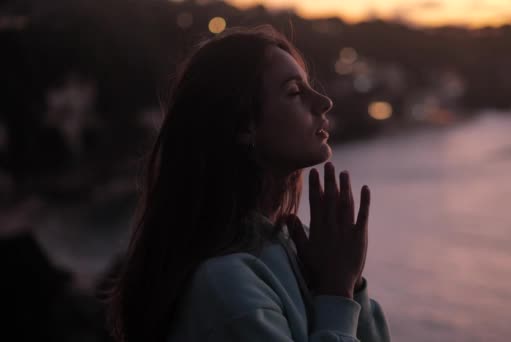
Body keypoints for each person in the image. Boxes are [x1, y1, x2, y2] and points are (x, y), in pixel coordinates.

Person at [107, 25, 391, 342]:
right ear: (243, 125)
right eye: (295, 92)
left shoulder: (293, 253)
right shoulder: (225, 286)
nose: (324, 101)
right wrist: (338, 290)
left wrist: (347, 285)